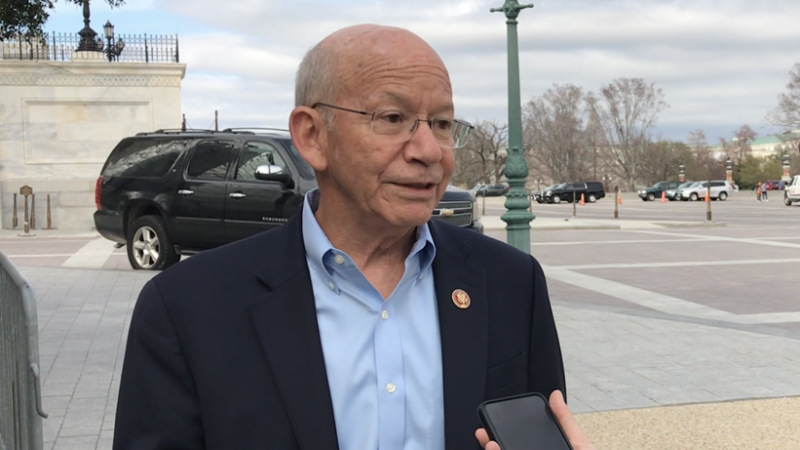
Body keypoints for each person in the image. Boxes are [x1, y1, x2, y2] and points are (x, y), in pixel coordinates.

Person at [113, 25, 593, 450]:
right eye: (392, 118)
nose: (429, 150)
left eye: (442, 124)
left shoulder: (512, 283)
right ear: (312, 136)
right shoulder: (186, 308)